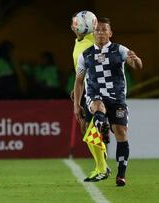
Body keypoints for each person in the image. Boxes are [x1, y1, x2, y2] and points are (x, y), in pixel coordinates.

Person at [73, 17, 143, 186]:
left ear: (110, 33)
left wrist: (135, 59)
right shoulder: (86, 54)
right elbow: (79, 81)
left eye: (104, 29)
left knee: (121, 132)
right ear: (93, 33)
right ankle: (102, 127)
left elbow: (137, 65)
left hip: (117, 97)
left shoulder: (119, 50)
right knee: (98, 105)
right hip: (95, 95)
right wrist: (77, 104)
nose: (100, 32)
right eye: (97, 30)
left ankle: (121, 175)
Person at [70, 11, 111, 182]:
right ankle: (102, 165)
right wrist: (76, 89)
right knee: (87, 130)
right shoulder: (79, 42)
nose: (72, 25)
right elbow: (81, 70)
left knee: (91, 132)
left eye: (75, 23)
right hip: (86, 90)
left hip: (97, 92)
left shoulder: (92, 41)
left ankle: (102, 168)